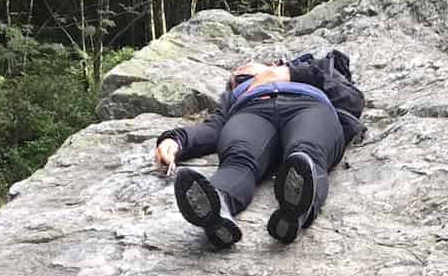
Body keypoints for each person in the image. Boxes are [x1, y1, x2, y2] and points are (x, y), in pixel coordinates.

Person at [152, 49, 365, 247]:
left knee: (307, 152)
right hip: (251, 112)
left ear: (272, 64)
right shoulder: (235, 96)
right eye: (237, 77)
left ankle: (294, 214)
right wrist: (176, 140)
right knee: (238, 159)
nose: (238, 72)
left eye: (245, 68)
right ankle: (216, 210)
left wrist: (289, 73)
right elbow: (215, 127)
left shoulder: (312, 71)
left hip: (311, 106)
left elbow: (352, 100)